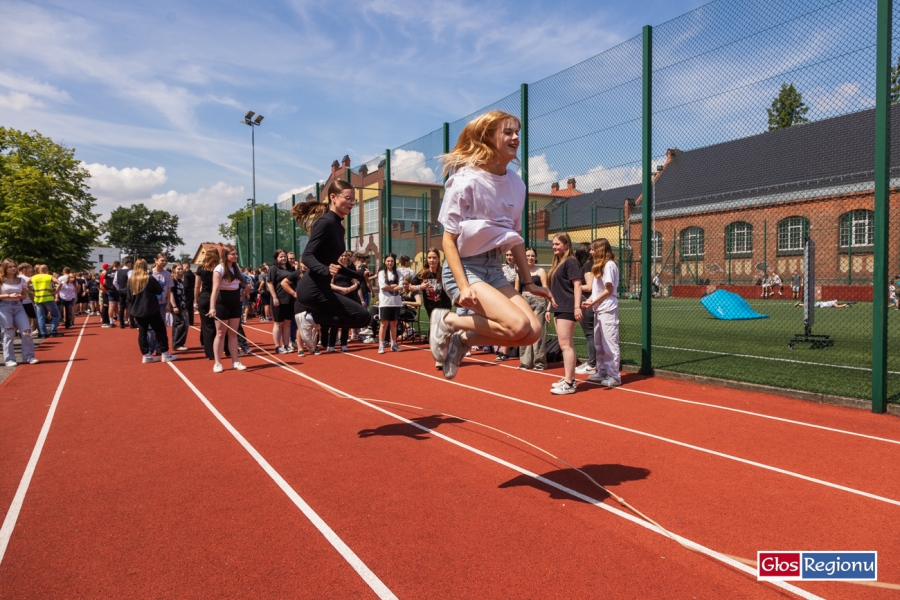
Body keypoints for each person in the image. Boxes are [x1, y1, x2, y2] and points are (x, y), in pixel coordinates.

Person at [429, 110, 552, 380]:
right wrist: (462, 287)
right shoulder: (466, 180)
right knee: (516, 323)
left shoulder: (517, 185)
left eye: (517, 132)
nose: (515, 137)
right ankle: (447, 320)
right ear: (488, 137)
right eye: (508, 132)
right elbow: (448, 240)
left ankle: (463, 340)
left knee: (531, 332)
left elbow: (515, 239)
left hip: (493, 269)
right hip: (464, 268)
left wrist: (529, 282)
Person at [291, 180, 372, 353]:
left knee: (362, 318)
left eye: (354, 200)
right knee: (363, 316)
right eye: (348, 198)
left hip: (322, 287)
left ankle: (311, 319)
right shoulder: (326, 222)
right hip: (312, 288)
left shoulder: (339, 227)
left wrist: (358, 274)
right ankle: (309, 318)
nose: (351, 203)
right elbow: (307, 256)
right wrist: (324, 269)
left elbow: (333, 263)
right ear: (333, 198)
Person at [546, 233, 582, 394]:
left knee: (565, 345)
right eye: (553, 244)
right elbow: (555, 289)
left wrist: (577, 307)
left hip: (567, 306)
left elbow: (577, 285)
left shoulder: (571, 262)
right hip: (558, 307)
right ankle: (569, 377)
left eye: (557, 244)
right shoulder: (558, 262)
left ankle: (569, 383)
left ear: (566, 245)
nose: (554, 247)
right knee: (567, 344)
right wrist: (549, 306)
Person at [581, 239, 621, 388]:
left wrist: (592, 302)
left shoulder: (609, 265)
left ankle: (614, 376)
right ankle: (602, 371)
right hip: (599, 308)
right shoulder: (599, 266)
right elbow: (597, 289)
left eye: (593, 249)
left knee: (609, 343)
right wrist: (590, 301)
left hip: (607, 308)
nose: (591, 252)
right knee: (598, 342)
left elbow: (609, 290)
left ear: (601, 250)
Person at [127, 259, 177, 364]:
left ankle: (146, 355)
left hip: (138, 310)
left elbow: (129, 297)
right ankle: (164, 353)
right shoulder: (149, 278)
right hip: (151, 309)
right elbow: (159, 290)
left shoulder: (131, 280)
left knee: (142, 332)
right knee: (160, 330)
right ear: (145, 267)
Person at [208, 244, 247, 372]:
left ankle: (235, 361)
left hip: (235, 301)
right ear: (226, 255)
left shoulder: (236, 268)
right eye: (233, 254)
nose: (236, 256)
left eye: (236, 254)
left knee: (233, 333)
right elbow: (214, 290)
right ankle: (217, 363)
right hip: (222, 301)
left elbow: (242, 284)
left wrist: (241, 297)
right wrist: (212, 307)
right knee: (220, 333)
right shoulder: (219, 269)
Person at [318, 251, 360, 352]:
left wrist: (349, 289)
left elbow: (356, 282)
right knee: (335, 320)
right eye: (342, 255)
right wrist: (340, 289)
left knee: (346, 320)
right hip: (337, 295)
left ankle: (344, 343)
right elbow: (330, 284)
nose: (344, 257)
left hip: (349, 295)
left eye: (345, 256)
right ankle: (331, 344)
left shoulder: (351, 268)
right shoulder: (335, 267)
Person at [514, 248, 548, 371]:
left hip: (539, 302)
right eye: (527, 256)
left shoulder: (541, 271)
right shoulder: (520, 272)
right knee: (525, 331)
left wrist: (547, 305)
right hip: (524, 301)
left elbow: (546, 289)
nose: (530, 258)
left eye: (532, 256)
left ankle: (539, 362)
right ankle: (525, 362)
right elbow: (516, 290)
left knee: (539, 331)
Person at [0, 259, 38, 367]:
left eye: (14, 266)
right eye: (10, 267)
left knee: (26, 331)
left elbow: (24, 296)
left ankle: (28, 357)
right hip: (4, 307)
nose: (13, 268)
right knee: (8, 333)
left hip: (18, 306)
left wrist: (19, 296)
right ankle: (9, 359)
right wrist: (8, 295)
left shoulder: (21, 280)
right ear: (5, 268)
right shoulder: (1, 280)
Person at [267, 249, 295, 354]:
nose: (283, 258)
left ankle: (286, 344)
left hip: (290, 299)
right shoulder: (273, 269)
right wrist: (274, 297)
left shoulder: (291, 269)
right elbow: (270, 283)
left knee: (287, 323)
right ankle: (277, 346)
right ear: (276, 258)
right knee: (278, 323)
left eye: (284, 256)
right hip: (278, 299)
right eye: (281, 257)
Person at [574, 246, 597, 375]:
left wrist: (575, 286)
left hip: (587, 300)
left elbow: (589, 286)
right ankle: (591, 362)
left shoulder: (588, 266)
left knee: (590, 334)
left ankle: (592, 363)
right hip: (588, 300)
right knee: (591, 333)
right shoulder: (589, 265)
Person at [146, 255, 174, 355]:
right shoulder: (149, 273)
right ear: (156, 260)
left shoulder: (167, 274)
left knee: (160, 327)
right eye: (162, 260)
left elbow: (170, 290)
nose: (164, 262)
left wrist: (168, 304)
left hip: (162, 304)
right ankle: (150, 348)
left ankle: (159, 348)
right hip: (150, 305)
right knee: (150, 328)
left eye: (166, 261)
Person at [376, 253, 403, 354]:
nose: (390, 263)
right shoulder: (382, 273)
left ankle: (394, 344)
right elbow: (383, 287)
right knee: (384, 324)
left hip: (395, 302)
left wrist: (390, 286)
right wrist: (393, 286)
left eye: (391, 261)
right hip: (385, 302)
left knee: (394, 324)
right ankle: (381, 345)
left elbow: (401, 286)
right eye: (388, 261)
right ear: (385, 261)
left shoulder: (399, 273)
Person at [195, 248, 219, 360]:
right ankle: (224, 349)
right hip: (217, 297)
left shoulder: (201, 268)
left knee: (207, 327)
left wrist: (196, 300)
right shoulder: (219, 268)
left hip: (204, 297)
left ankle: (210, 353)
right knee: (220, 326)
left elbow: (196, 286)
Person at [31, 264, 61, 338]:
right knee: (56, 315)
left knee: (40, 316)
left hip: (38, 298)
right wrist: (55, 292)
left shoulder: (33, 277)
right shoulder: (49, 277)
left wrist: (32, 291)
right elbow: (60, 283)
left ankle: (43, 332)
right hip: (48, 298)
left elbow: (25, 284)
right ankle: (53, 331)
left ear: (39, 270)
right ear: (47, 270)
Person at [170, 263, 189, 350]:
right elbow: (171, 293)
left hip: (182, 304)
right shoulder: (173, 280)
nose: (180, 271)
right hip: (176, 305)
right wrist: (174, 306)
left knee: (181, 323)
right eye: (178, 269)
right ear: (174, 269)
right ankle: (177, 344)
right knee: (181, 323)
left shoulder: (180, 280)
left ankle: (178, 343)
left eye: (181, 269)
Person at [17, 263, 37, 332]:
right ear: (24, 269)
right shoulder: (28, 279)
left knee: (21, 317)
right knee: (33, 316)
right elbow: (32, 291)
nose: (30, 271)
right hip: (27, 300)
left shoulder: (15, 278)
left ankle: (19, 331)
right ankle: (37, 331)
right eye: (29, 269)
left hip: (18, 301)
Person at [115, 258, 133, 328]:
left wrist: (119, 289)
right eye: (130, 264)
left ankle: (121, 323)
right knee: (130, 306)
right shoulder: (129, 271)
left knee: (121, 307)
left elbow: (115, 282)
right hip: (128, 290)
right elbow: (130, 280)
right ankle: (132, 323)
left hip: (121, 290)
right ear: (128, 263)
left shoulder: (118, 271)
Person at [107, 261, 121, 325]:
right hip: (117, 290)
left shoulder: (108, 272)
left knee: (111, 306)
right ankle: (119, 317)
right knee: (119, 305)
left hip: (110, 290)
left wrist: (109, 286)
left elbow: (104, 282)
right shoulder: (118, 272)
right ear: (118, 265)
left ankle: (111, 321)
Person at [182, 262, 196, 328]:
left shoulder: (186, 274)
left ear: (185, 267)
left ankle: (183, 321)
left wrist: (183, 291)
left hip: (188, 292)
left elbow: (186, 284)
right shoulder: (192, 274)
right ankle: (191, 321)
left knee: (185, 307)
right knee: (190, 308)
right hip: (192, 291)